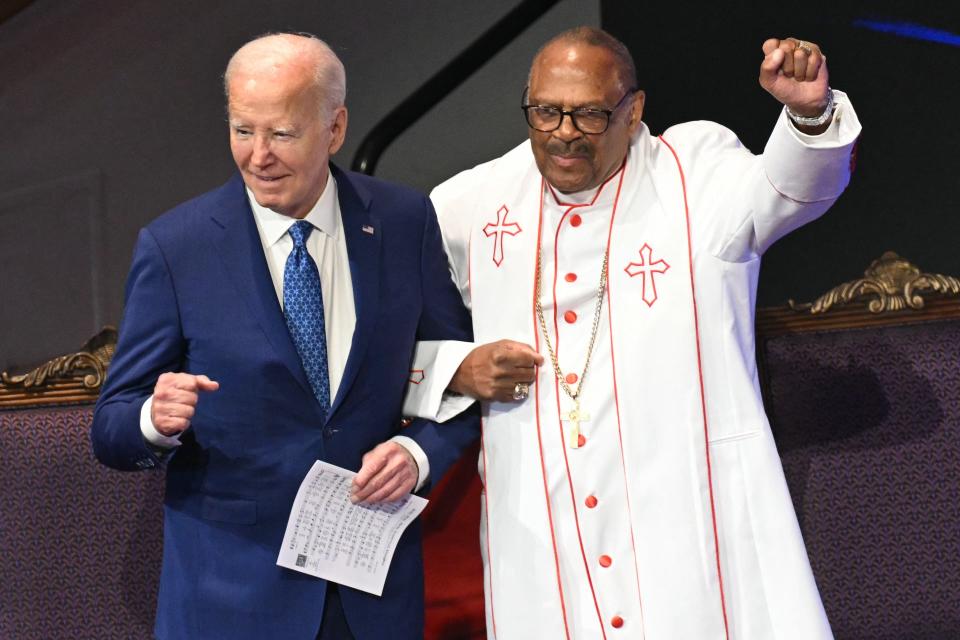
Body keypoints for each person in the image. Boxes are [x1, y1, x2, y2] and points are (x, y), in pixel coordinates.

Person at [403, 27, 861, 639]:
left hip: (688, 519)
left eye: (590, 114)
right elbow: (386, 337)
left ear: (633, 109)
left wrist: (808, 115)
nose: (563, 131)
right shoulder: (470, 205)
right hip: (543, 528)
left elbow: (789, 190)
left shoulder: (693, 176)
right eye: (545, 111)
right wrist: (454, 370)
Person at [91, 33, 478, 640]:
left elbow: (461, 376)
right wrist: (152, 420)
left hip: (370, 595)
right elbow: (111, 428)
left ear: (335, 127)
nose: (258, 156)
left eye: (283, 134)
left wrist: (419, 454)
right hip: (231, 600)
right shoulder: (176, 247)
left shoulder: (405, 222)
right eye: (243, 130)